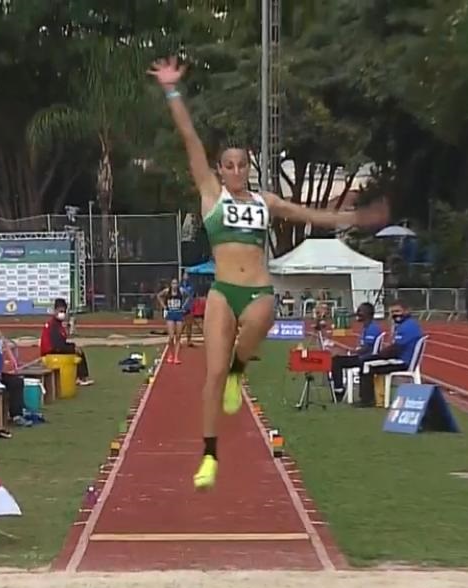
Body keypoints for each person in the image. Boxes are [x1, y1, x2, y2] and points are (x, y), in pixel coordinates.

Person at [149, 56, 388, 490]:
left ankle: (240, 367)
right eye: (229, 165)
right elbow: (190, 140)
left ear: (249, 167)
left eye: (242, 164)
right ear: (220, 170)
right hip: (223, 290)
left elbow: (310, 213)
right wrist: (172, 90)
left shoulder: (265, 202)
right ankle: (209, 454)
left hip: (257, 288)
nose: (236, 171)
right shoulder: (211, 196)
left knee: (263, 317)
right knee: (211, 375)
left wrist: (355, 217)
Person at [356, 300, 425, 408]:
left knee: (366, 364)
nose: (395, 314)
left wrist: (380, 355)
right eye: (392, 312)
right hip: (400, 359)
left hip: (402, 361)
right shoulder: (405, 325)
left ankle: (367, 400)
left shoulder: (408, 326)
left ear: (406, 311)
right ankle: (374, 398)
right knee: (367, 361)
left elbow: (396, 349)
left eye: (398, 311)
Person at [329, 303, 382, 401]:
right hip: (363, 357)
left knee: (336, 361)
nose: (357, 313)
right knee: (337, 359)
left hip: (366, 358)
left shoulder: (372, 328)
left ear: (367, 313)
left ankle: (339, 391)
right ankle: (339, 389)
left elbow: (366, 348)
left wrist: (352, 351)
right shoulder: (367, 327)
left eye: (360, 311)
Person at [38, 298, 93, 385]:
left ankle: (80, 376)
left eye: (64, 311)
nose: (62, 314)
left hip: (55, 348)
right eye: (60, 311)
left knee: (77, 349)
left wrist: (73, 346)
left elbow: (61, 342)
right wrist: (72, 348)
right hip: (50, 352)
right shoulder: (53, 325)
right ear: (55, 310)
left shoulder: (58, 324)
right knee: (77, 351)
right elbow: (57, 345)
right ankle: (80, 377)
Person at [156, 278, 187, 364]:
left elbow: (189, 296)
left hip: (179, 313)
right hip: (170, 314)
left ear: (178, 284)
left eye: (176, 283)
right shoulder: (167, 291)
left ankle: (176, 357)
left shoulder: (181, 291)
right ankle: (170, 353)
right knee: (171, 336)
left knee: (178, 336)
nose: (174, 285)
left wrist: (184, 306)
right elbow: (158, 296)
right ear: (171, 284)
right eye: (173, 283)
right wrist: (164, 306)